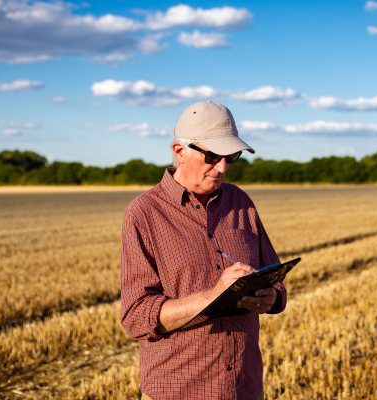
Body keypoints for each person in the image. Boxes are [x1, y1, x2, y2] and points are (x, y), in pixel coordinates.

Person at [120, 101, 287, 400]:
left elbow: (275, 279)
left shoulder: (241, 203)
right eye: (212, 155)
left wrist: (271, 297)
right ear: (179, 150)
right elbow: (136, 317)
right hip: (178, 391)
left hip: (244, 388)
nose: (222, 166)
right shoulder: (144, 213)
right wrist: (214, 295)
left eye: (231, 156)